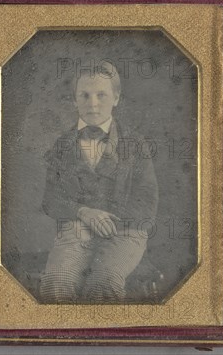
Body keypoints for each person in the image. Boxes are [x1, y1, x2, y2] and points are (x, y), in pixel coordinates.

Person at [39, 61, 159, 303]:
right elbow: (51, 200)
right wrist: (83, 212)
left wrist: (107, 218)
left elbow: (147, 202)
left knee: (104, 282)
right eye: (84, 95)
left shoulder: (135, 144)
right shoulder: (62, 145)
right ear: (74, 100)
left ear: (116, 98)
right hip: (77, 227)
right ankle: (58, 339)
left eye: (101, 95)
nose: (92, 103)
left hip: (127, 229)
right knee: (57, 280)